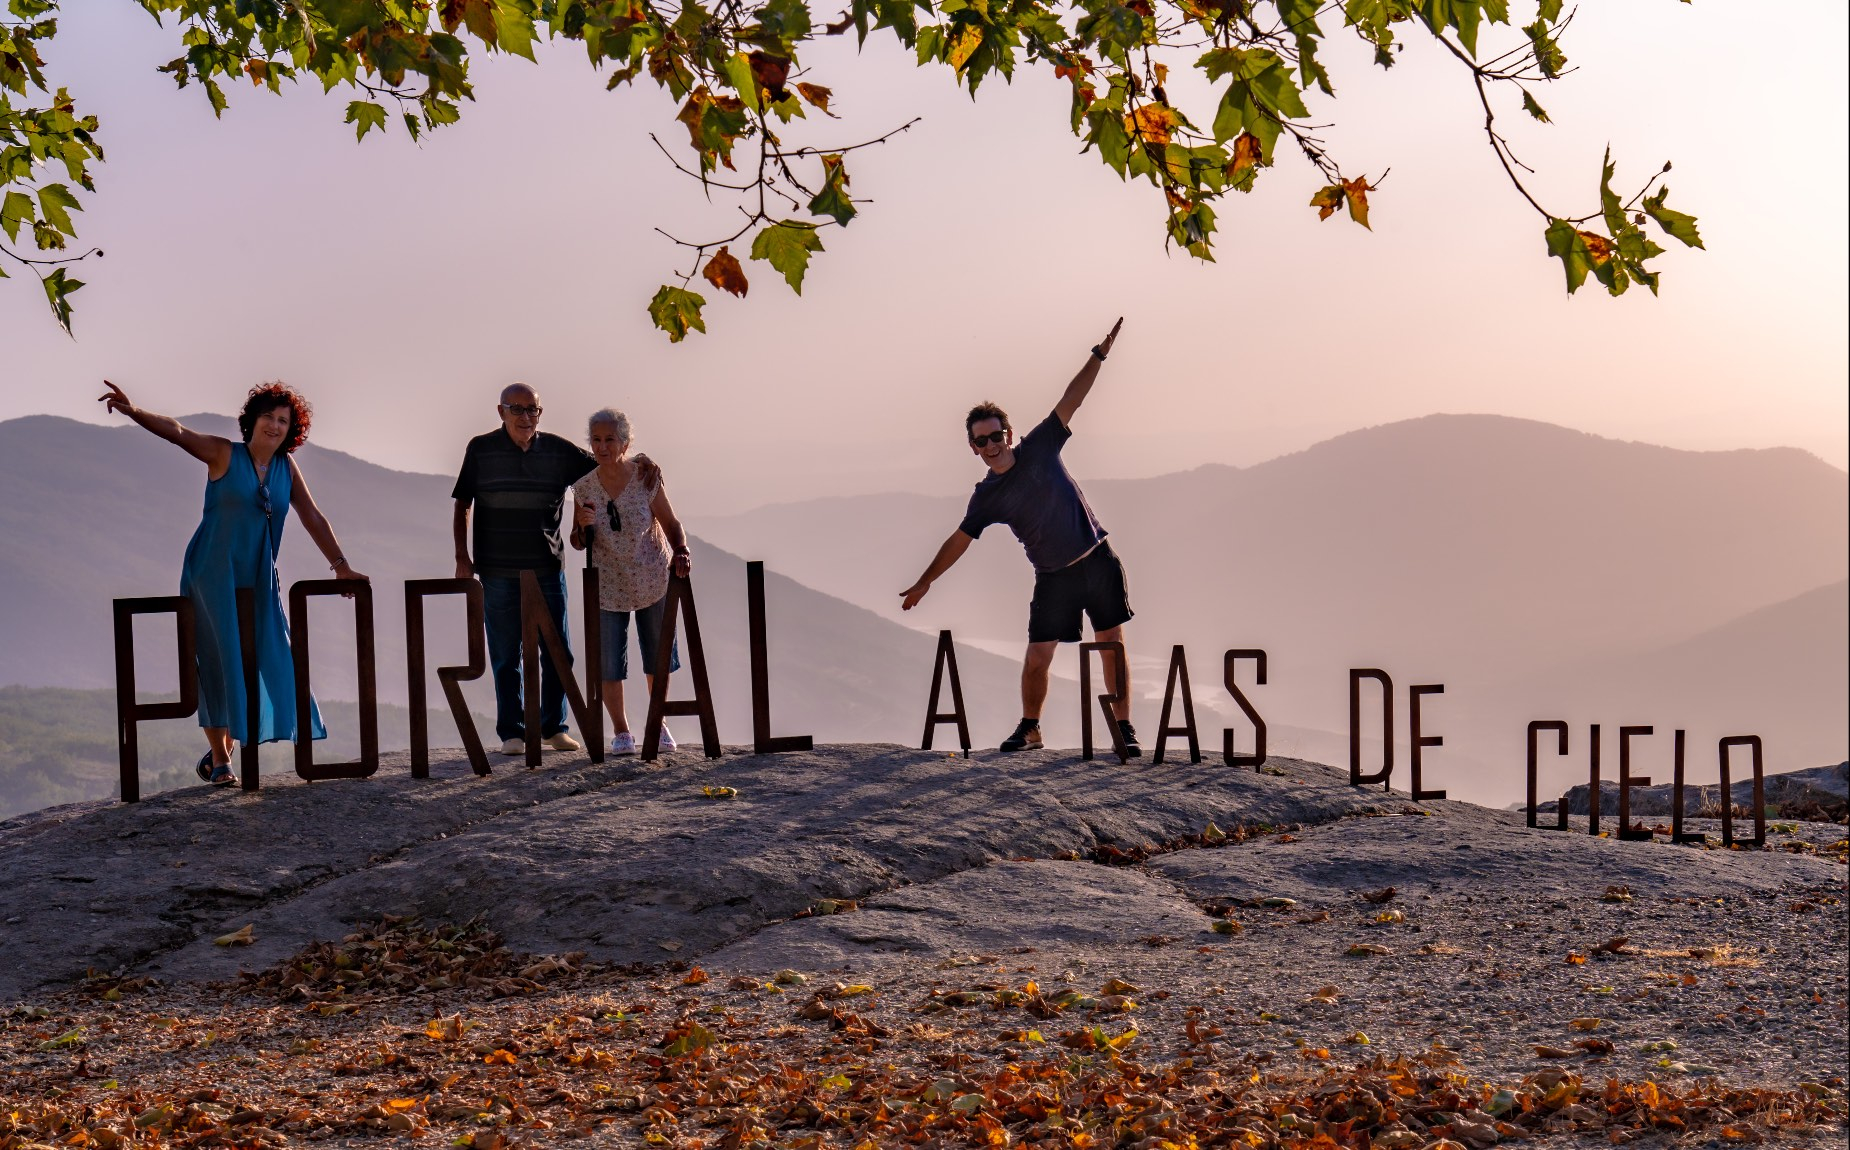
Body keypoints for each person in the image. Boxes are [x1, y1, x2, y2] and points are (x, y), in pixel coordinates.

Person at [97, 380, 369, 785]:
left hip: (260, 575)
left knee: (269, 655)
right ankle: (222, 761)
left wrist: (341, 565)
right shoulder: (225, 455)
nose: (274, 426)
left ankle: (230, 747)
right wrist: (134, 411)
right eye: (268, 416)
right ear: (253, 419)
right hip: (212, 572)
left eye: (283, 420)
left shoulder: (285, 468)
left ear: (291, 430)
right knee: (218, 658)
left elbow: (311, 515)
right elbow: (179, 432)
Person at [899, 319, 1139, 755]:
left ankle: (1124, 730)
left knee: (1111, 647)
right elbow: (958, 540)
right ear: (973, 448)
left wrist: (1098, 355)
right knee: (1036, 657)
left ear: (1007, 434)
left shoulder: (1041, 446)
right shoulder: (987, 497)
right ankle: (1031, 729)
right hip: (1053, 577)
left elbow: (1073, 399)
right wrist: (926, 580)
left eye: (995, 435)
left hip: (1097, 558)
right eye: (980, 441)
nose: (991, 445)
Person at [452, 383, 656, 756]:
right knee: (505, 654)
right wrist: (461, 557)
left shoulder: (559, 451)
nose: (526, 417)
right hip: (496, 568)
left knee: (558, 650)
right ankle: (512, 733)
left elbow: (604, 458)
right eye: (517, 409)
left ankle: (553, 727)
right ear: (501, 412)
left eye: (533, 410)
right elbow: (462, 502)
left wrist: (640, 458)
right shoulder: (480, 449)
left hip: (547, 566)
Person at [567, 409, 693, 756]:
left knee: (658, 657)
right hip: (608, 584)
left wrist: (681, 550)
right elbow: (577, 542)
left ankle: (658, 723)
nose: (603, 446)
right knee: (609, 662)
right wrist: (580, 525)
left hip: (652, 575)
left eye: (610, 439)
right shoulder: (584, 487)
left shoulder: (645, 477)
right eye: (596, 439)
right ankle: (621, 732)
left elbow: (670, 521)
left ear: (625, 442)